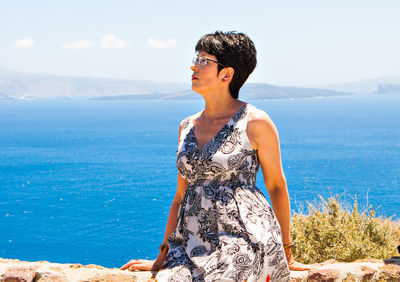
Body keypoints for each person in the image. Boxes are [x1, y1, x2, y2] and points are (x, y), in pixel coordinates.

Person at [121, 31, 311, 281]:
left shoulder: (255, 122)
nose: (193, 65)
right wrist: (163, 254)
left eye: (203, 60)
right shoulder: (186, 126)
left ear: (227, 74)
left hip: (243, 237)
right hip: (191, 241)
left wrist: (287, 251)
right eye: (196, 57)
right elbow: (180, 196)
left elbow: (276, 185)